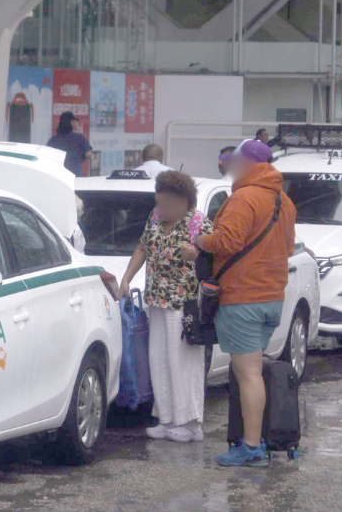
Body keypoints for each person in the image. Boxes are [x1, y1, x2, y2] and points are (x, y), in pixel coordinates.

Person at [189, 139, 297, 467]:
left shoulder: (244, 198)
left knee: (247, 374)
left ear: (248, 163)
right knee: (253, 371)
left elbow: (227, 240)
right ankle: (256, 438)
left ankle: (251, 447)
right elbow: (288, 249)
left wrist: (198, 243)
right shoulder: (284, 201)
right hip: (272, 298)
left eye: (234, 161)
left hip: (242, 298)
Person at [119, 171, 213, 444]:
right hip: (157, 301)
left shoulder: (199, 224)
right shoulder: (155, 218)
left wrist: (197, 254)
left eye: (169, 204)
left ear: (185, 201)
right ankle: (167, 418)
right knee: (159, 360)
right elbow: (142, 248)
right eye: (160, 203)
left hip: (185, 305)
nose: (164, 209)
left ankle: (191, 424)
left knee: (183, 363)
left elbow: (216, 257)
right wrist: (126, 278)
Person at [47, 111, 93, 176]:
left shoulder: (53, 140)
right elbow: (89, 154)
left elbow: (47, 156)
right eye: (74, 121)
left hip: (58, 177)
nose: (76, 123)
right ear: (71, 122)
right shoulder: (79, 138)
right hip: (75, 176)